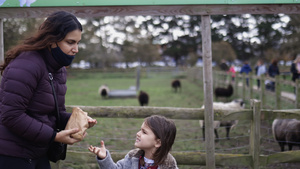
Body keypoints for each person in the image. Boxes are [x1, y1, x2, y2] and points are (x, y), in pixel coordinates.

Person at [0, 11, 97, 169]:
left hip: (38, 152)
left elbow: (52, 113)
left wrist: (76, 123)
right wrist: (54, 136)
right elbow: (11, 115)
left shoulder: (58, 69)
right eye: (70, 42)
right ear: (52, 40)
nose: (76, 49)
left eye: (78, 42)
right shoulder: (26, 65)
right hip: (13, 155)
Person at [89, 115, 178, 169]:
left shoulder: (169, 166)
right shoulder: (131, 158)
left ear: (158, 143)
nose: (138, 134)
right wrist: (104, 158)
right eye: (140, 130)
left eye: (144, 132)